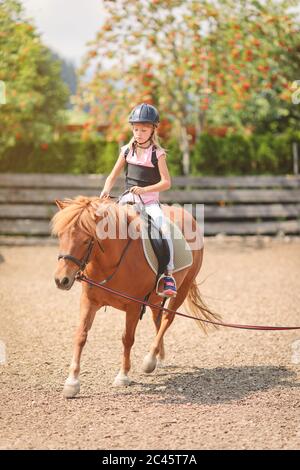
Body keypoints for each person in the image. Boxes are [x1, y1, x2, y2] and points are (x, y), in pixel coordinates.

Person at [100, 103, 177, 297]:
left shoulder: (157, 154)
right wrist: (105, 191)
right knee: (104, 225)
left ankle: (168, 275)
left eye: (144, 129)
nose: (139, 133)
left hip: (150, 203)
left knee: (165, 229)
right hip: (127, 200)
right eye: (136, 129)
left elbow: (166, 182)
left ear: (153, 130)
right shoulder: (126, 150)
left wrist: (144, 190)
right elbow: (111, 176)